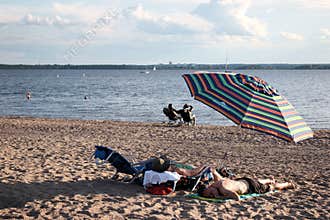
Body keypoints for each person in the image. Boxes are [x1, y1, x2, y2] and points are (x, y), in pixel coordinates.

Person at [197, 175, 296, 200]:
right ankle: (269, 179)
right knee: (258, 181)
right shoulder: (217, 182)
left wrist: (220, 197)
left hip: (250, 187)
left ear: (209, 187)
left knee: (272, 187)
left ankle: (287, 184)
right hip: (243, 180)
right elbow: (214, 172)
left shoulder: (223, 189)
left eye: (209, 193)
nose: (212, 195)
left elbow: (237, 197)